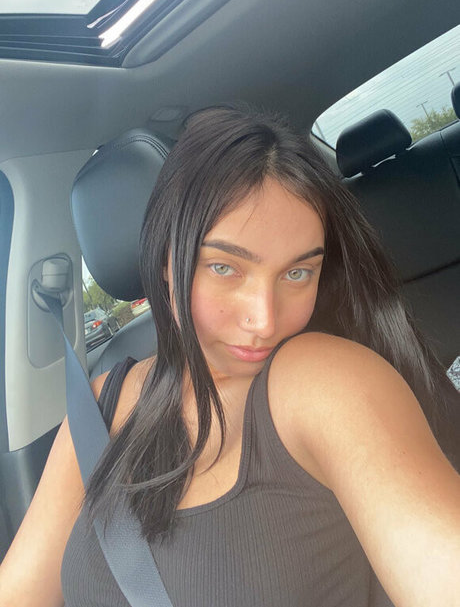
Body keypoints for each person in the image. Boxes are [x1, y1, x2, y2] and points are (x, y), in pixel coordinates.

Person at [1, 105, 459, 607]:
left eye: (297, 273)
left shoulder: (323, 381)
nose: (265, 320)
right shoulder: (96, 410)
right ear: (166, 260)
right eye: (224, 268)